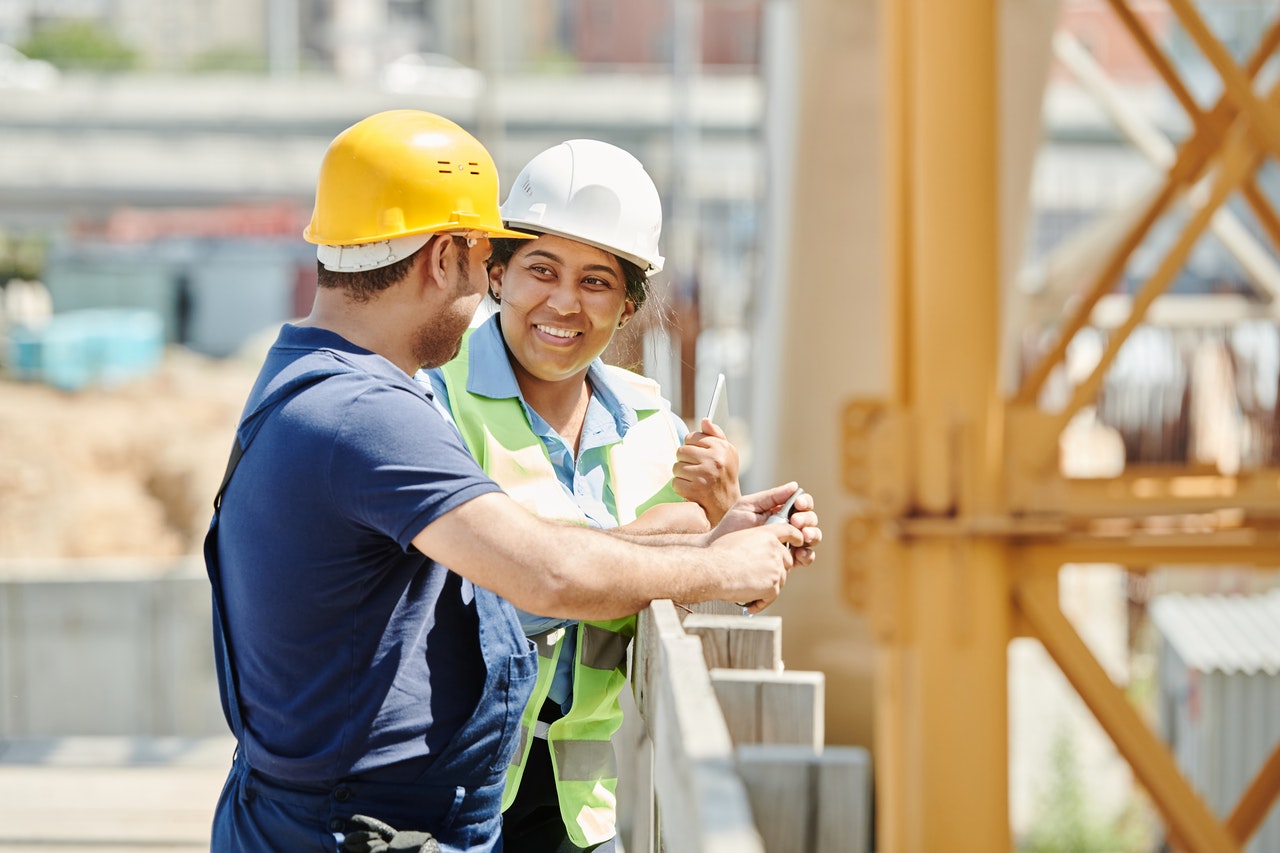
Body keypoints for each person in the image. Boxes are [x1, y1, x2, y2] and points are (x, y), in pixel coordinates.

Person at [205, 109, 819, 853]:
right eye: (493, 260)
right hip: (355, 826)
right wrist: (713, 559)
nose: (489, 295)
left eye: (595, 281)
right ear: (447, 258)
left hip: (386, 816)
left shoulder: (324, 384)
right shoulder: (373, 413)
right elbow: (543, 573)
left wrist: (709, 533)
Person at [420, 139, 772, 853]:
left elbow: (703, 591)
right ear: (497, 275)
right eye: (540, 269)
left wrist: (732, 518)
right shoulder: (433, 400)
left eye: (597, 281)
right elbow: (504, 582)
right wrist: (676, 533)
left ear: (629, 303)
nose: (563, 302)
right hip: (445, 794)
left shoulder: (653, 425)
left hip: (581, 810)